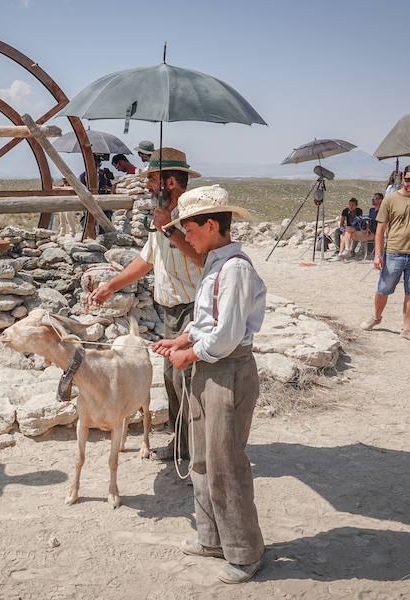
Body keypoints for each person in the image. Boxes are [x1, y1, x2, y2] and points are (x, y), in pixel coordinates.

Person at [152, 184, 266, 584]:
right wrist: (182, 339)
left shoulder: (235, 269)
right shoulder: (216, 262)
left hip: (227, 371)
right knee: (202, 458)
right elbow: (206, 322)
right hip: (210, 367)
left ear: (213, 224)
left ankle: (244, 551)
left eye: (190, 229)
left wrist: (190, 355)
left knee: (227, 463)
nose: (184, 237)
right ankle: (212, 537)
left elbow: (227, 335)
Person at [89, 147, 203, 462]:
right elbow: (145, 261)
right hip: (170, 314)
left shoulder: (194, 215)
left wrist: (171, 229)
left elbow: (204, 259)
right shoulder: (159, 219)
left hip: (193, 311)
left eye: (153, 180)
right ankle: (181, 447)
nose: (149, 186)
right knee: (172, 382)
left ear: (171, 183)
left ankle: (198, 455)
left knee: (189, 384)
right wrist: (109, 286)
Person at [361, 164, 410, 344]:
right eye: (408, 179)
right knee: (383, 289)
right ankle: (377, 317)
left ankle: (407, 329)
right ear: (402, 178)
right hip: (393, 252)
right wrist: (378, 254)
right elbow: (380, 229)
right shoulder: (390, 199)